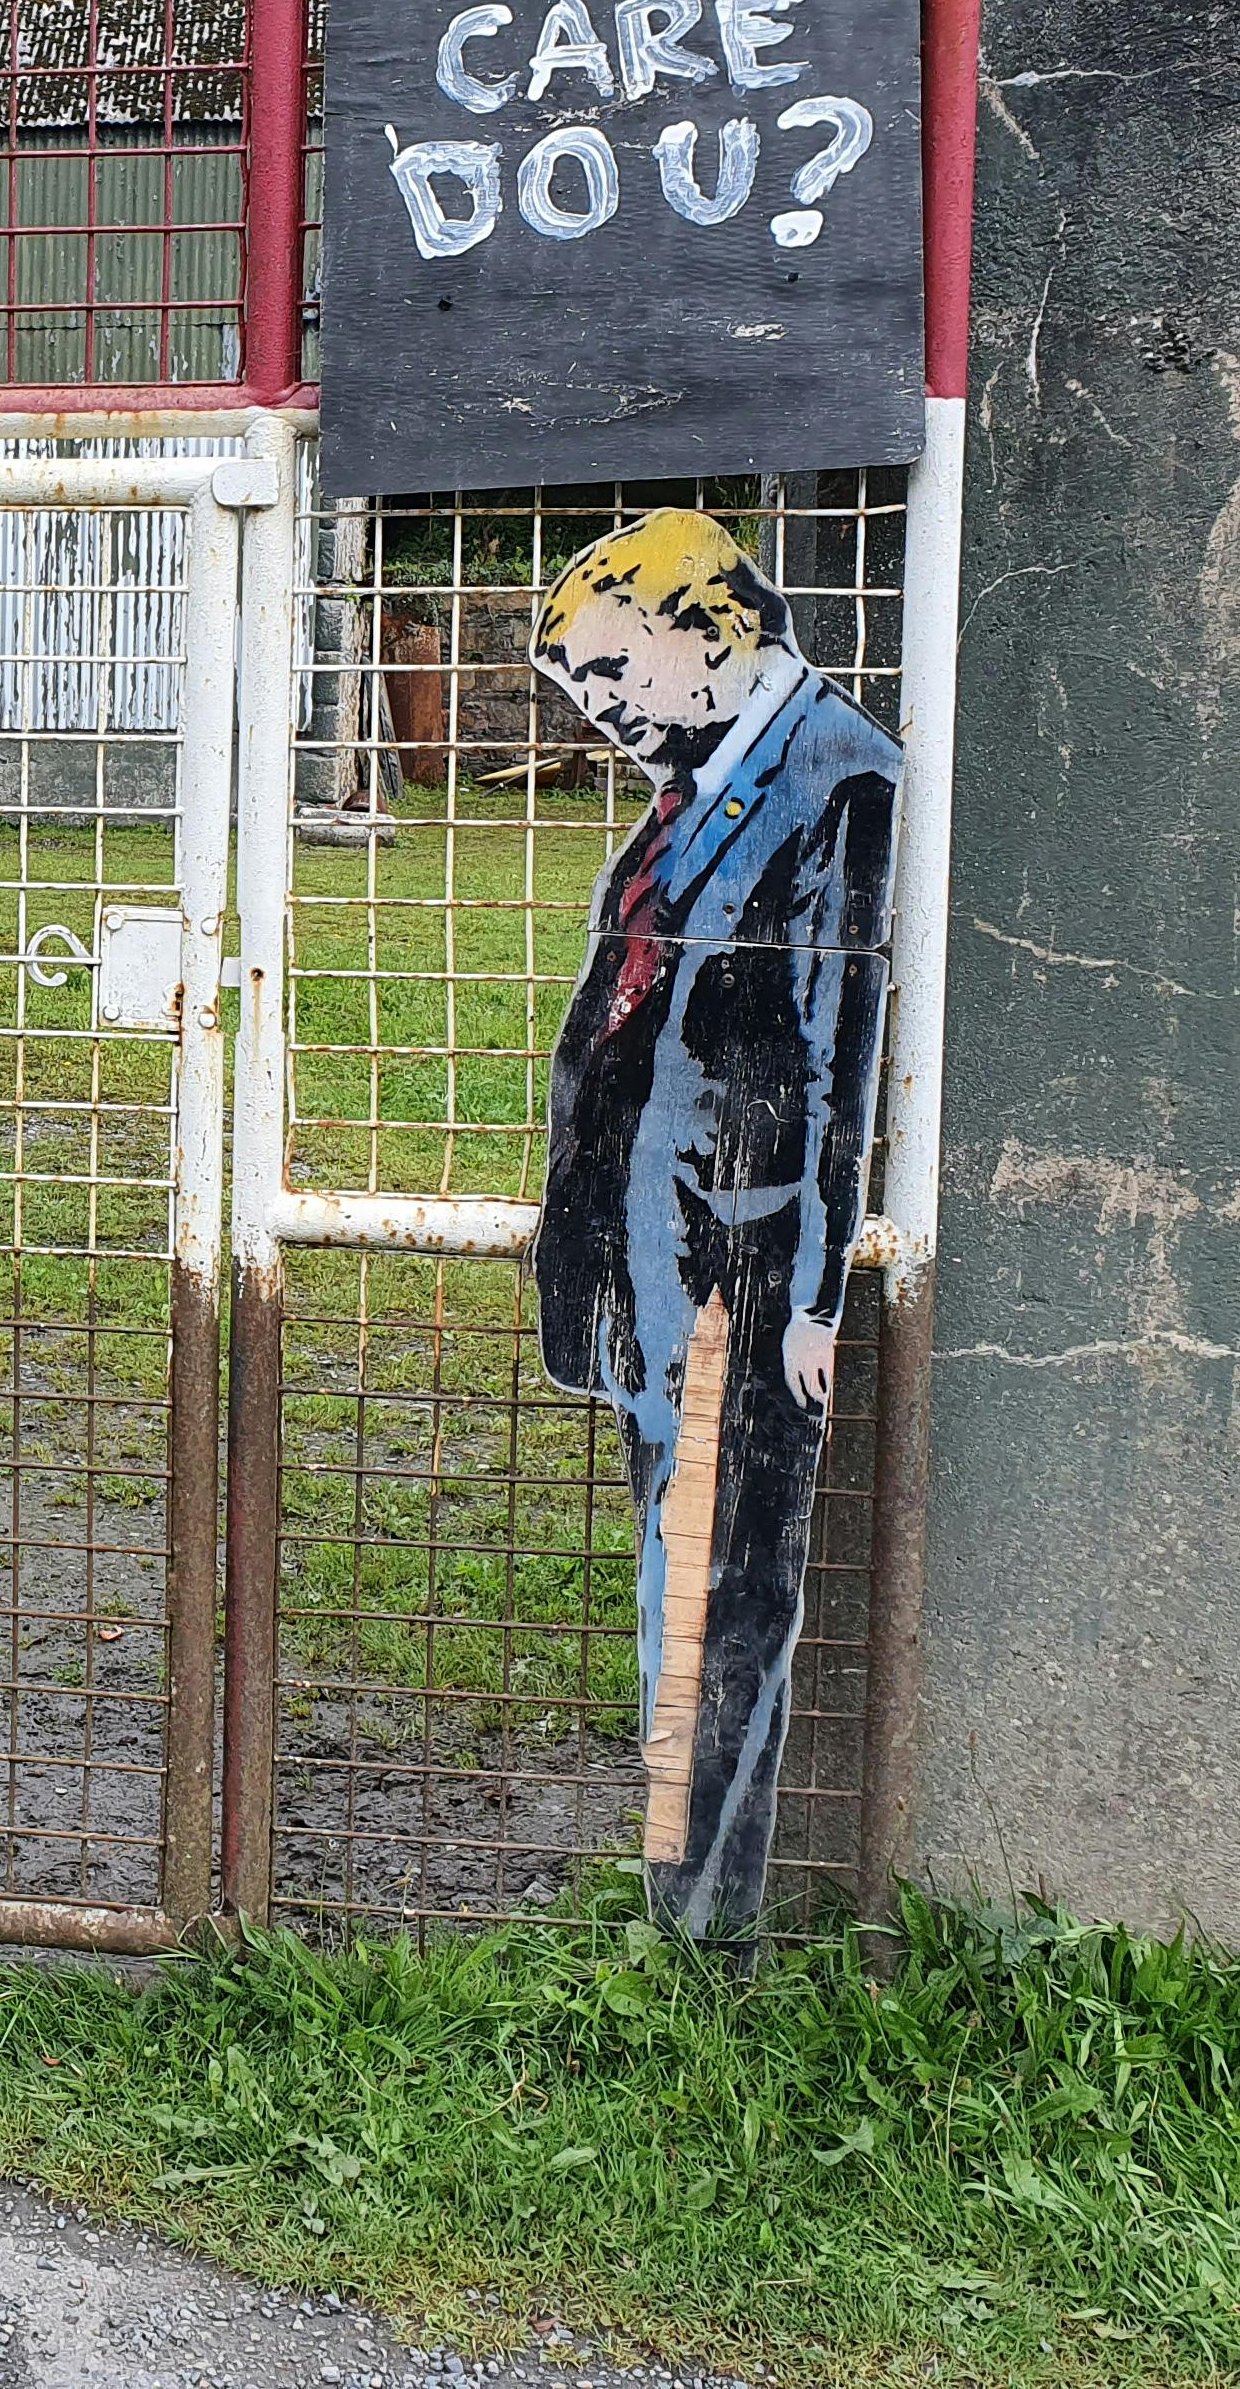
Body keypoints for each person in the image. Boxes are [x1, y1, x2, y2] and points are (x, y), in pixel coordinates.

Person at [530, 507, 901, 1939]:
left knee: (729, 1593)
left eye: (613, 670)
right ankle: (673, 1879)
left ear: (711, 630)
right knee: (674, 1575)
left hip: (746, 1265)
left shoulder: (836, 775)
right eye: (580, 686)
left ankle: (704, 1926)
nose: (600, 707)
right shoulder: (704, 777)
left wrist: (814, 1298)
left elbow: (839, 1047)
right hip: (663, 1259)